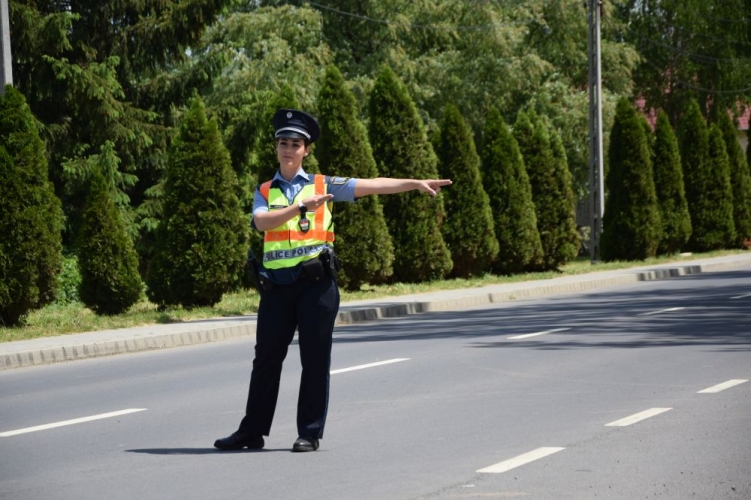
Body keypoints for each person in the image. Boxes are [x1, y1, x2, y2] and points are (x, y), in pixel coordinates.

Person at [214, 108, 452, 452]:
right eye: (283, 143)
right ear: (276, 148)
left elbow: (371, 185)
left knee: (314, 359)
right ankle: (252, 432)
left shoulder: (323, 185)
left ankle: (309, 433)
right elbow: (262, 223)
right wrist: (301, 208)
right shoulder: (265, 190)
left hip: (316, 286)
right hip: (277, 288)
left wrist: (414, 183)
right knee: (265, 360)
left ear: (306, 150)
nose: (288, 149)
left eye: (295, 144)